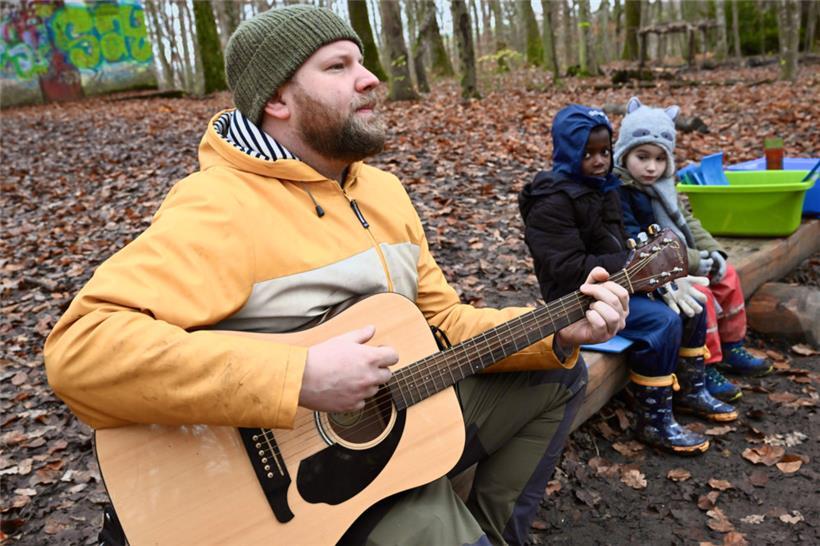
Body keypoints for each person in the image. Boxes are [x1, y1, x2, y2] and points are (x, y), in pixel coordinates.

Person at [44, 6, 629, 546]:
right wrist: (296, 375)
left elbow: (441, 323)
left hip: (395, 420)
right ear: (278, 98)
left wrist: (555, 331)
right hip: (290, 485)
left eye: (363, 61)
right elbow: (81, 351)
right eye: (338, 66)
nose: (370, 77)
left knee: (561, 376)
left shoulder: (380, 190)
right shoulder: (220, 207)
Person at [518, 104, 736, 457]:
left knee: (691, 302)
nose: (600, 160)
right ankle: (653, 418)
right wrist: (634, 267)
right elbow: (567, 267)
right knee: (661, 322)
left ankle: (690, 388)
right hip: (578, 298)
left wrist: (655, 274)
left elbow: (624, 241)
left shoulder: (606, 188)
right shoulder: (551, 201)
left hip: (622, 283)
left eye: (605, 151)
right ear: (567, 152)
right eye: (587, 153)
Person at [614, 97, 772, 404]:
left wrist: (713, 251)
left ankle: (732, 345)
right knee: (703, 299)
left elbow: (686, 220)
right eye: (642, 156)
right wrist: (698, 262)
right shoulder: (623, 193)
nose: (651, 166)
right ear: (624, 154)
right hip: (656, 267)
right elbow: (642, 246)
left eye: (660, 159)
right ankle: (705, 364)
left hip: (684, 257)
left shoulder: (663, 185)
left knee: (728, 276)